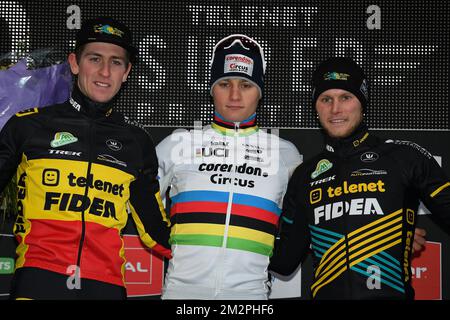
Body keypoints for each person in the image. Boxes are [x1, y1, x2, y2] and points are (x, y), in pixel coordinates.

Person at [0, 17, 171, 299]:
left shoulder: (136, 141)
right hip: (39, 279)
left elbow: (155, 230)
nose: (105, 72)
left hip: (106, 285)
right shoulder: (28, 126)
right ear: (75, 63)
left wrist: (221, 253)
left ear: (127, 72)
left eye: (116, 62)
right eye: (95, 59)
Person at [268, 57, 450, 299]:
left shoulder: (404, 157)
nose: (335, 109)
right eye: (326, 99)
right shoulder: (305, 175)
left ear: (362, 103)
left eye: (346, 97)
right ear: (316, 107)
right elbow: (283, 261)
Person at [156, 34, 302, 299]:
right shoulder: (179, 143)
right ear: (212, 89)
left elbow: (301, 221)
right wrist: (174, 245)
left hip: (251, 294)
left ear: (260, 91)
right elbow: (138, 199)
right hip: (181, 292)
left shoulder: (285, 154)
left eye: (246, 85)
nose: (235, 95)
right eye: (224, 83)